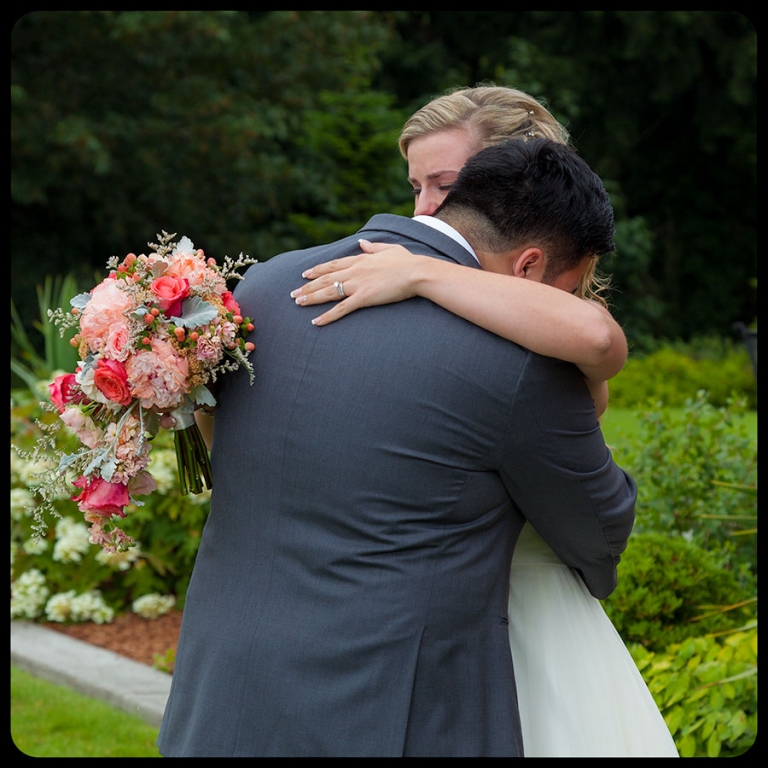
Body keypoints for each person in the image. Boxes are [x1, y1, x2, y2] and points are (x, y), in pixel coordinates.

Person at [157, 137, 636, 757]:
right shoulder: (521, 360)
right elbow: (598, 532)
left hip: (220, 697)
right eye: (568, 289)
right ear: (530, 269)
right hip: (388, 715)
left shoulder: (258, 291)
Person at [289, 86, 679, 757]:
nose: (425, 211)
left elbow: (598, 340)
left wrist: (422, 276)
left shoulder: (511, 301)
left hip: (510, 573)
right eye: (415, 187)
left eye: (444, 185)